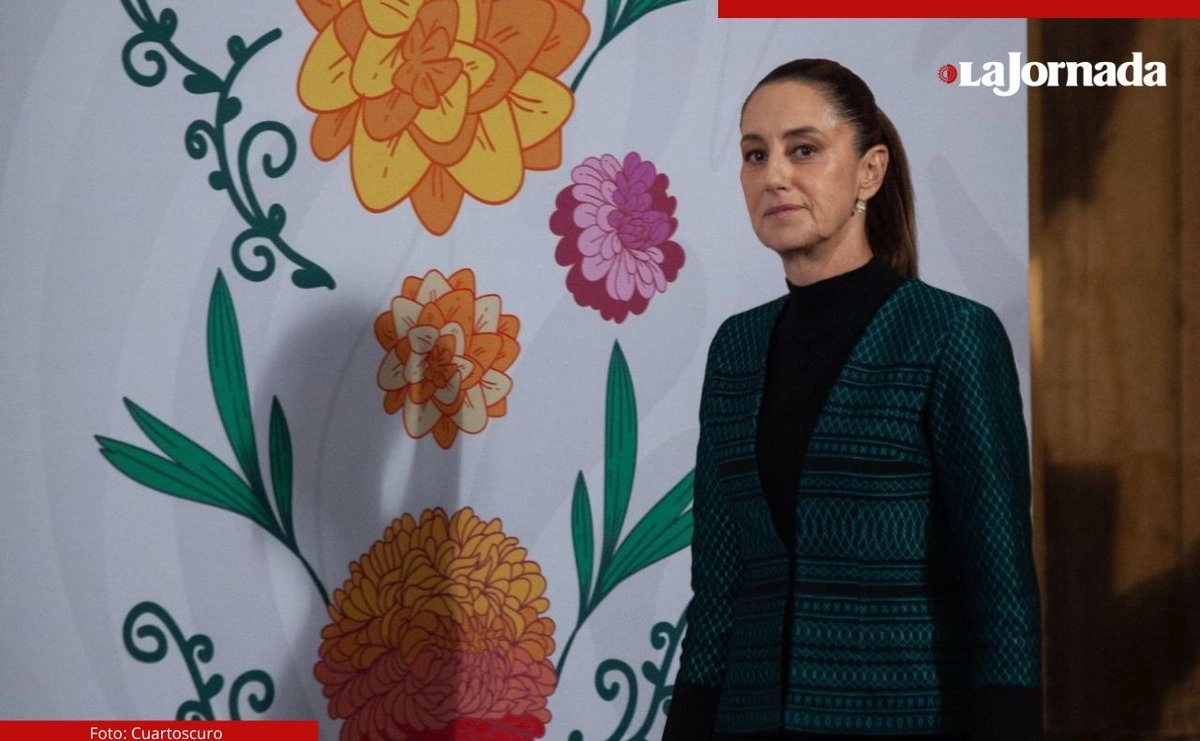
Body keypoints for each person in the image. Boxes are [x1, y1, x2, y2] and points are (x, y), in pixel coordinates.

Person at [662, 59, 1043, 740]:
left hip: (909, 719)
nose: (774, 175)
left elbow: (1001, 583)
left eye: (804, 149)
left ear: (870, 171)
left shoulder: (950, 334)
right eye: (755, 154)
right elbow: (719, 588)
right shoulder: (737, 347)